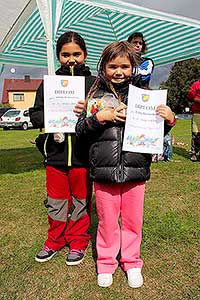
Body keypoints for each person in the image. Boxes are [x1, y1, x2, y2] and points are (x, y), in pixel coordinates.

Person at [76, 41, 176, 288]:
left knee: (133, 221)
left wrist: (169, 119)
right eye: (112, 66)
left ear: (133, 67)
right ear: (103, 67)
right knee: (108, 221)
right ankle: (106, 262)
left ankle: (132, 262)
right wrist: (100, 117)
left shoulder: (145, 96)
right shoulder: (93, 95)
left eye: (124, 66)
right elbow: (80, 129)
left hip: (135, 170)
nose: (118, 71)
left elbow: (156, 131)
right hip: (104, 171)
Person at [30, 31, 95, 265]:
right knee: (56, 201)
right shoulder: (49, 83)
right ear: (58, 56)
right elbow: (35, 114)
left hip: (82, 155)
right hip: (55, 155)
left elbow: (100, 114)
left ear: (85, 54)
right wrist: (53, 114)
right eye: (65, 54)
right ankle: (55, 240)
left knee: (80, 200)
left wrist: (89, 109)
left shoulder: (94, 83)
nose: (71, 59)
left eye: (76, 54)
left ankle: (78, 241)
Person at [187, 80, 200, 161]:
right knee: (196, 134)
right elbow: (190, 96)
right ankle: (193, 153)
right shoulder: (196, 84)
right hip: (197, 113)